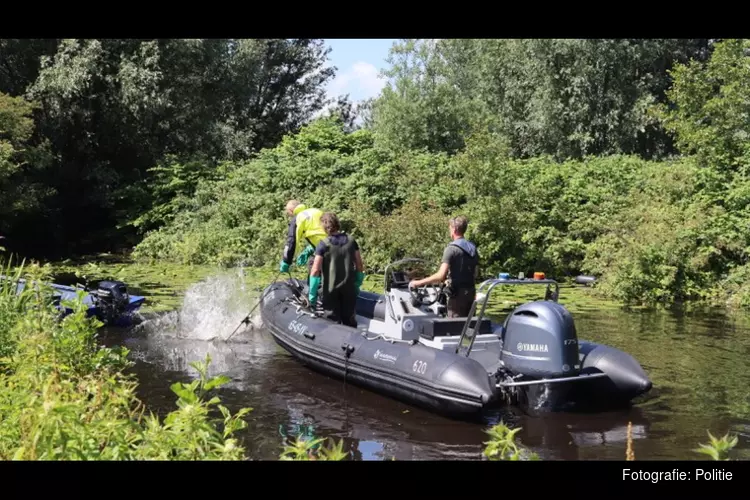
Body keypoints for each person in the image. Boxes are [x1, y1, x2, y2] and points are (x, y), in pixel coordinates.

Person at [409, 215, 479, 318]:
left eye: (450, 228)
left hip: (457, 297)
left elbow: (440, 276)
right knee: (469, 325)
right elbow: (475, 273)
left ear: (454, 229)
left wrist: (418, 283)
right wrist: (449, 280)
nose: (449, 231)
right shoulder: (473, 248)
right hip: (471, 293)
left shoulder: (451, 249)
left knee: (455, 328)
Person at [308, 212, 365, 328]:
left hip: (330, 291)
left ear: (324, 226)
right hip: (349, 289)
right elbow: (359, 265)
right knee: (349, 321)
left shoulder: (323, 244)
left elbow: (315, 270)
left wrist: (312, 294)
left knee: (331, 323)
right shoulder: (351, 241)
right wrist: (358, 283)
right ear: (337, 224)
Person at [279, 200, 327, 277]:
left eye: (288, 212)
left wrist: (286, 261)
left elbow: (291, 241)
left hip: (323, 251)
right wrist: (310, 248)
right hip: (336, 244)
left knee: (314, 269)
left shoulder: (297, 218)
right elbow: (322, 232)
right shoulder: (316, 211)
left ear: (291, 211)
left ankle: (315, 288)